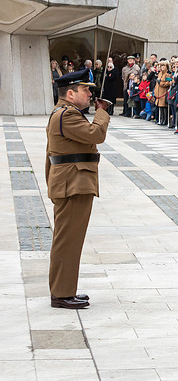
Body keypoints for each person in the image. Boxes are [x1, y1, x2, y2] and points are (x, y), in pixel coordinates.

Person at [46, 70, 111, 309]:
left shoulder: (63, 113)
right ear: (71, 93)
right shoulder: (68, 115)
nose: (90, 94)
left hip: (70, 183)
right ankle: (62, 294)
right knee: (68, 241)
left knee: (69, 240)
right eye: (86, 90)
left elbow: (49, 156)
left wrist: (52, 183)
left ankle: (64, 290)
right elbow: (96, 134)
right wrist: (103, 112)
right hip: (73, 185)